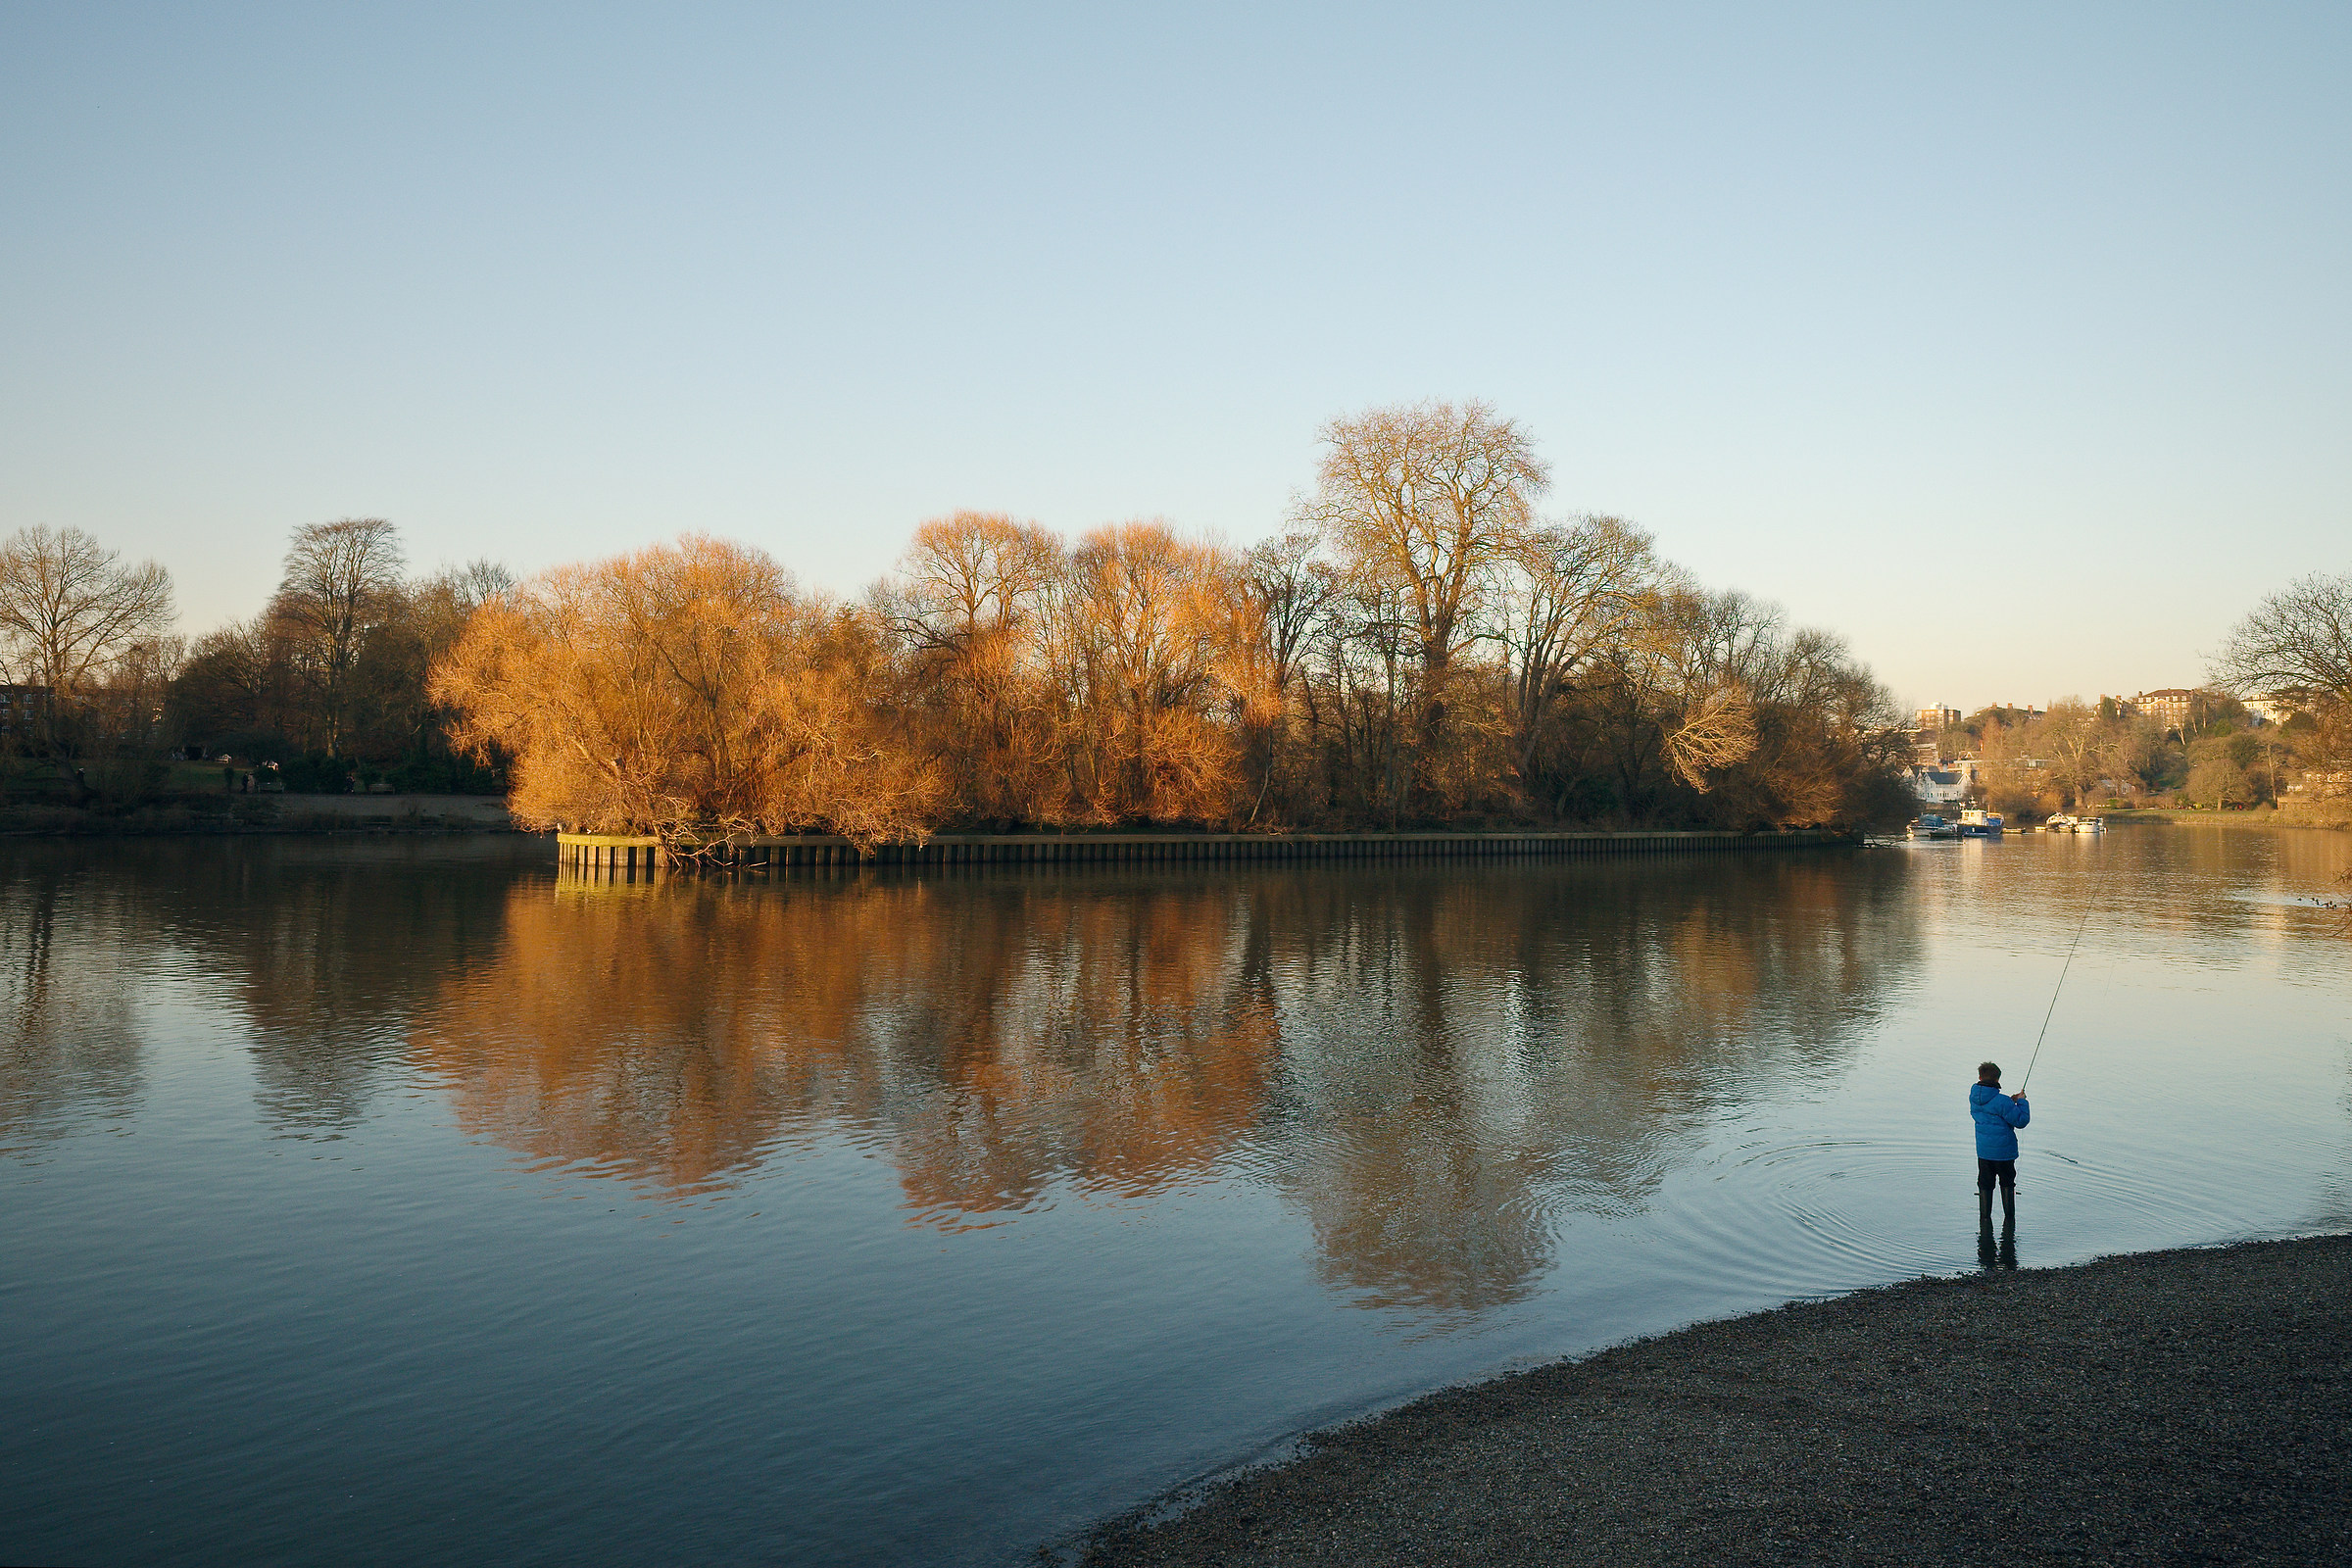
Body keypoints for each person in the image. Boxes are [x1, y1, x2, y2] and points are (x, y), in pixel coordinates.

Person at [1970, 1061, 2029, 1231]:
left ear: (1980, 1077)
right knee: (2007, 1183)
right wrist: (2022, 1102)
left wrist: (2011, 1101)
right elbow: (2021, 1121)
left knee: (1985, 1184)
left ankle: (1984, 1220)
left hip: (1984, 1153)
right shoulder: (2002, 1101)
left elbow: (1993, 1108)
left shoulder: (1974, 1098)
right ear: (1997, 1080)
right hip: (2004, 1154)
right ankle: (2010, 1221)